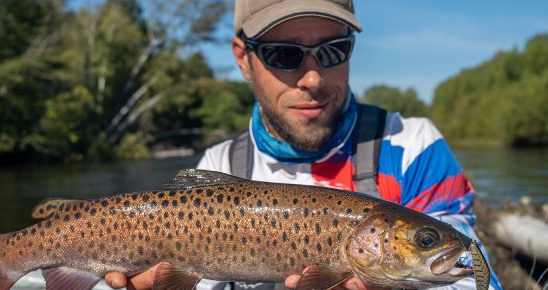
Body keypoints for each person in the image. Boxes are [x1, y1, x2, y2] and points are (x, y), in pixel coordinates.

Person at [104, 0, 503, 289]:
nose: (312, 78)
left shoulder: (414, 147)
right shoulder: (220, 163)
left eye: (333, 50)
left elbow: (474, 274)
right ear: (243, 59)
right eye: (284, 54)